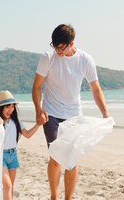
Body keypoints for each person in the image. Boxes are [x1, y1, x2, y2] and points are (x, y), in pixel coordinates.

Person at [32, 24, 109, 200]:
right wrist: (38, 109)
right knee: (56, 157)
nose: (57, 51)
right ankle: (54, 196)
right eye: (55, 46)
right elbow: (37, 86)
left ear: (71, 43)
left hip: (74, 115)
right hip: (51, 113)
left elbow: (96, 89)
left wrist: (105, 113)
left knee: (72, 160)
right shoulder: (48, 58)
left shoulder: (85, 60)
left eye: (60, 48)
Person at [0, 90, 41, 200]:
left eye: (12, 107)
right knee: (7, 185)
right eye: (7, 107)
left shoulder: (15, 120)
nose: (11, 110)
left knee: (10, 187)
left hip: (13, 155)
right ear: (0, 108)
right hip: (0, 156)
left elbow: (27, 134)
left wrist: (38, 124)